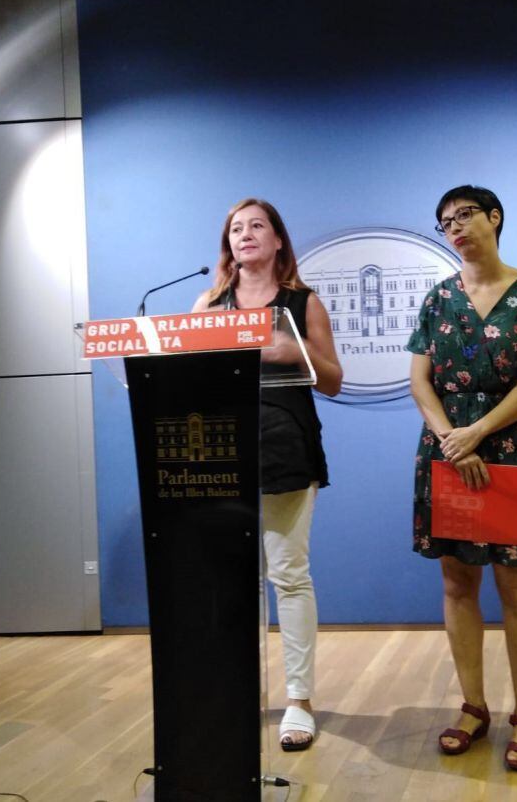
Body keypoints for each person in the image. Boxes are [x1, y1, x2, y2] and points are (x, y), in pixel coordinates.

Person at [407, 185, 517, 771]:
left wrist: (476, 434)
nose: (454, 226)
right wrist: (453, 439)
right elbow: (420, 382)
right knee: (456, 584)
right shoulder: (438, 299)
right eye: (444, 221)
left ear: (494, 218)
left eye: (464, 215)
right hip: (447, 448)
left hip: (511, 444)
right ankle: (473, 705)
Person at [193, 197, 342, 751]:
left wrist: (287, 351)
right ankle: (236, 691)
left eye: (258, 226)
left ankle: (299, 700)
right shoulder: (208, 303)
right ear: (227, 244)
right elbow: (190, 377)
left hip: (286, 447)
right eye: (236, 228)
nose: (246, 234)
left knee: (288, 575)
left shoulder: (303, 303)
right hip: (221, 451)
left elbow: (333, 381)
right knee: (229, 578)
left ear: (278, 240)